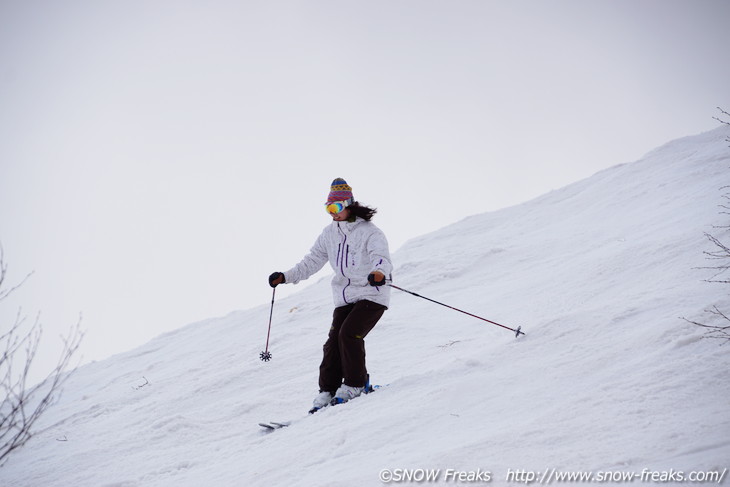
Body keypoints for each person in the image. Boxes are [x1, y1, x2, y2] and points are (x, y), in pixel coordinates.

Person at [269, 178, 393, 412]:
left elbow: (381, 257)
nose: (332, 214)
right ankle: (328, 390)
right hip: (345, 297)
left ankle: (355, 384)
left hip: (372, 293)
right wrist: (286, 276)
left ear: (348, 205)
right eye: (328, 209)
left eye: (335, 208)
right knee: (333, 342)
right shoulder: (329, 234)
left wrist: (378, 272)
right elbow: (312, 261)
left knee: (349, 335)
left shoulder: (370, 232)